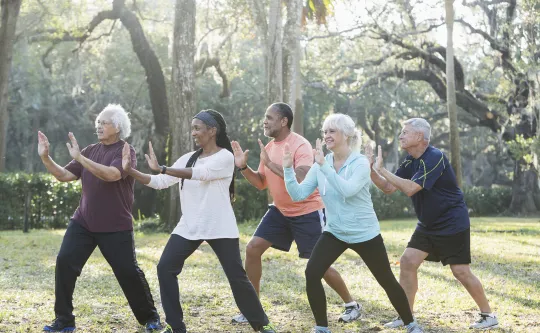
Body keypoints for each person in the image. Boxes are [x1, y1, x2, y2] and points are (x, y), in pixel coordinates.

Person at [122, 110, 277, 333]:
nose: (193, 132)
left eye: (197, 128)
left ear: (212, 131)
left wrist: (164, 167)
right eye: (192, 128)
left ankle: (262, 325)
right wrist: (131, 171)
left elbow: (200, 174)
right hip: (190, 226)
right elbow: (160, 181)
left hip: (219, 225)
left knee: (237, 278)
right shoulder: (189, 158)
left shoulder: (225, 157)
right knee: (165, 268)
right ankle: (175, 326)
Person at [282, 113, 423, 333]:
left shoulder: (359, 163)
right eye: (325, 131)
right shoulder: (322, 163)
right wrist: (288, 169)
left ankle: (411, 324)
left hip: (365, 233)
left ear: (346, 135)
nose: (327, 135)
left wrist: (323, 167)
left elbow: (347, 191)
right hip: (335, 232)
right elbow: (298, 194)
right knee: (312, 273)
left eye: (332, 131)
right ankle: (321, 328)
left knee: (386, 279)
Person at [231, 103, 360, 325]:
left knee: (319, 265)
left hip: (307, 210)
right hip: (280, 210)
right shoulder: (269, 147)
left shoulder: (299, 144)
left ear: (283, 121)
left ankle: (351, 304)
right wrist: (243, 168)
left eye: (269, 117)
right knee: (252, 249)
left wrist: (270, 164)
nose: (265, 121)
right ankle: (252, 309)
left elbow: (300, 178)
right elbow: (262, 183)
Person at [37, 104, 162, 333]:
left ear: (118, 127)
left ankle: (151, 318)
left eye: (104, 122)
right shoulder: (90, 150)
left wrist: (81, 159)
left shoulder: (126, 151)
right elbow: (64, 175)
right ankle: (64, 320)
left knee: (128, 272)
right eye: (98, 122)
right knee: (64, 262)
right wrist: (46, 157)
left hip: (115, 225)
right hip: (83, 222)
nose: (99, 126)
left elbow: (112, 175)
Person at [368, 118, 498, 330]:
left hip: (452, 221)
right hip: (428, 224)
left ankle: (488, 315)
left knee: (460, 271)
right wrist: (371, 169)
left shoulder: (435, 156)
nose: (400, 136)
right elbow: (388, 188)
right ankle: (406, 316)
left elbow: (410, 188)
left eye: (404, 132)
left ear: (419, 136)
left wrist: (383, 170)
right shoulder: (410, 160)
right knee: (408, 261)